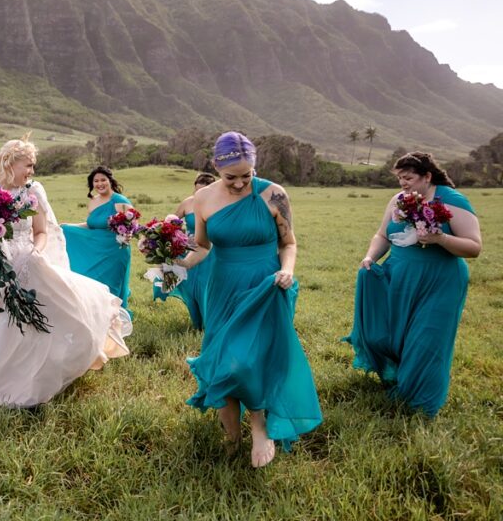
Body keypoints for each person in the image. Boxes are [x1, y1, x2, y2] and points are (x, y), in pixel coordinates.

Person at [0, 137, 130, 408]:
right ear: (10, 162)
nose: (32, 171)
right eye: (29, 165)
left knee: (59, 312)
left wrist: (36, 252)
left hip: (28, 262)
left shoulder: (32, 191)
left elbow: (41, 232)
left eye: (33, 166)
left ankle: (35, 373)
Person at [180, 132, 321, 468]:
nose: (241, 184)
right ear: (216, 166)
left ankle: (259, 425)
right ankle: (231, 440)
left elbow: (289, 243)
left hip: (265, 286)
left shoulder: (274, 194)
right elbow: (202, 247)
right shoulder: (203, 199)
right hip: (223, 287)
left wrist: (287, 269)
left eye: (248, 175)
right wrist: (174, 264)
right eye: (232, 177)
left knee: (249, 360)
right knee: (221, 359)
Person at [344, 151, 481, 417]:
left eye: (408, 178)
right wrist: (371, 256)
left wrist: (441, 239)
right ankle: (398, 376)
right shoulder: (398, 201)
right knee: (392, 334)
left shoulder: (453, 202)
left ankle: (420, 404)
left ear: (427, 176)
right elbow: (383, 234)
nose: (402, 184)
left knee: (426, 340)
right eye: (399, 179)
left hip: (439, 283)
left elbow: (474, 247)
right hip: (400, 279)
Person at [62, 166, 135, 319]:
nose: (100, 184)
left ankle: (112, 319)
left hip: (114, 251)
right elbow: (90, 224)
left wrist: (128, 235)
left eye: (103, 180)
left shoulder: (119, 201)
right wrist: (67, 226)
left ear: (110, 181)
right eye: (96, 181)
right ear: (92, 184)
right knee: (91, 281)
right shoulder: (93, 201)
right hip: (95, 248)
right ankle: (94, 316)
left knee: (110, 286)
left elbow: (134, 224)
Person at [153, 172, 215, 330]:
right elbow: (171, 223)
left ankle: (210, 325)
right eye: (196, 191)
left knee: (205, 288)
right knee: (190, 287)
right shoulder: (188, 203)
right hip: (188, 249)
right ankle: (196, 323)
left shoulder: (218, 204)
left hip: (211, 253)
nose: (198, 195)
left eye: (203, 191)